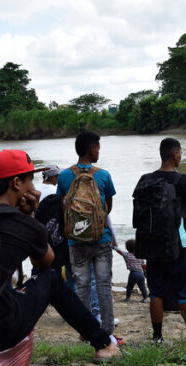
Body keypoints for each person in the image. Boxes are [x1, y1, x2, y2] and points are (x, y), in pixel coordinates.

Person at [0, 149, 120, 361]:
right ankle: (103, 344)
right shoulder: (20, 223)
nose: (34, 187)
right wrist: (30, 216)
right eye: (31, 180)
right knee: (53, 279)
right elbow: (46, 263)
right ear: (16, 184)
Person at [135, 137, 186, 346]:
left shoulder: (145, 179)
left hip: (151, 244)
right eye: (180, 154)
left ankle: (157, 337)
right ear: (175, 155)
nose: (180, 157)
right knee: (183, 291)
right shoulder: (183, 180)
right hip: (177, 244)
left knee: (156, 291)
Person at [56, 131, 118, 341]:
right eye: (98, 148)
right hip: (101, 239)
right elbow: (107, 207)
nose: (99, 152)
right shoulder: (103, 175)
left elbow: (63, 205)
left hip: (75, 240)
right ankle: (108, 330)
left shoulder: (64, 176)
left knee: (82, 288)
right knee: (103, 286)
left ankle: (86, 332)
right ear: (92, 149)